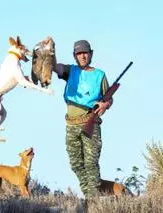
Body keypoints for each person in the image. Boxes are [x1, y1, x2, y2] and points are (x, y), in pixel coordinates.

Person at [53, 40, 113, 199]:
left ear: (91, 54)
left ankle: (93, 202)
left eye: (85, 53)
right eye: (79, 54)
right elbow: (56, 67)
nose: (82, 56)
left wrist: (105, 104)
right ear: (74, 56)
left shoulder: (99, 75)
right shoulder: (70, 71)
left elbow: (109, 98)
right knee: (76, 164)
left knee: (91, 164)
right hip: (71, 124)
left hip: (90, 124)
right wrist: (47, 55)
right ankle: (91, 196)